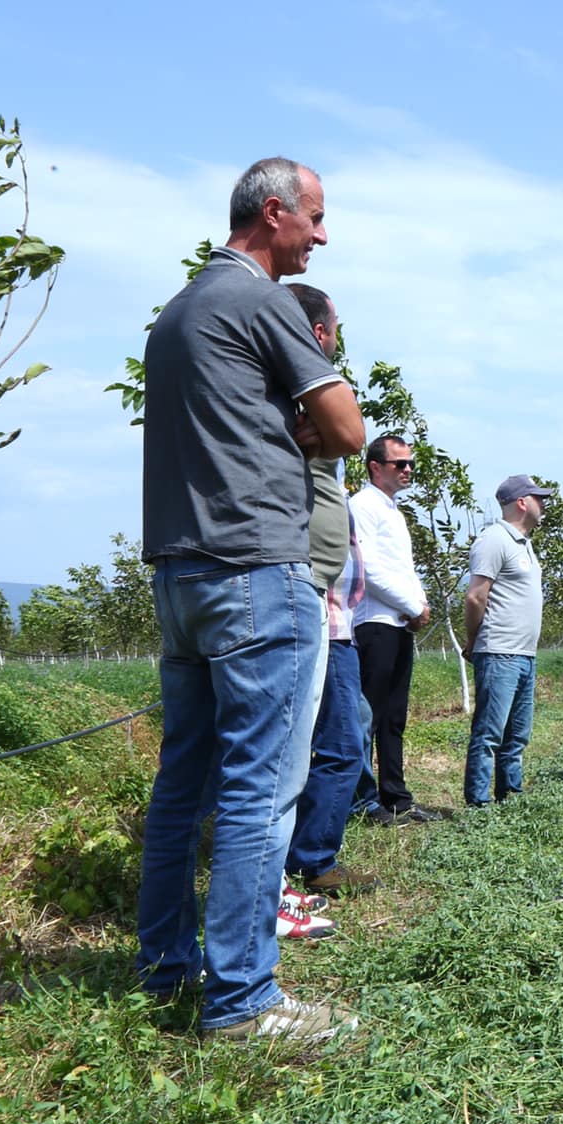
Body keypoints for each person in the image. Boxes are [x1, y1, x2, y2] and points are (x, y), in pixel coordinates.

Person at [137, 157, 365, 1041]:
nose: (322, 235)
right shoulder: (264, 301)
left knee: (182, 785)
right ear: (274, 213)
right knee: (259, 789)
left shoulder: (177, 313)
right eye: (315, 217)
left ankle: (165, 968)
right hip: (256, 571)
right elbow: (347, 428)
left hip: (181, 573)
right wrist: (307, 428)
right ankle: (240, 1002)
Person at [281, 284, 376, 917]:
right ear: (318, 333)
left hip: (333, 608)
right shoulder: (300, 398)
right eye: (335, 327)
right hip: (314, 606)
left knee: (343, 736)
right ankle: (310, 860)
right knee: (340, 743)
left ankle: (305, 857)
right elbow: (351, 431)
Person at [351, 433, 442, 824]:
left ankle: (396, 799)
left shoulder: (393, 511)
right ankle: (362, 801)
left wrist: (419, 605)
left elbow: (402, 569)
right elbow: (367, 568)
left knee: (393, 717)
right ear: (375, 467)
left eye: (410, 464)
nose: (408, 470)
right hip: (375, 623)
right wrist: (412, 606)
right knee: (368, 717)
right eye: (399, 464)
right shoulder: (362, 505)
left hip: (398, 625)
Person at [461, 474, 553, 809]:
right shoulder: (494, 540)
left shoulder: (524, 543)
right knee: (490, 732)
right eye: (538, 498)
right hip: (499, 651)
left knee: (516, 735)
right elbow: (476, 596)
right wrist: (474, 639)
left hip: (524, 654)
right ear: (521, 502)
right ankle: (478, 803)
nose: (543, 504)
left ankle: (510, 797)